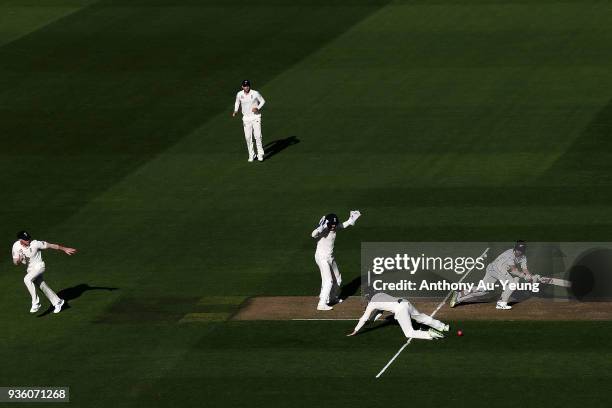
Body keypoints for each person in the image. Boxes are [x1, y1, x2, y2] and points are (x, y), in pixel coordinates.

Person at [450, 241, 532, 310]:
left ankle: (460, 294)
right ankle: (501, 303)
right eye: (518, 249)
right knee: (514, 282)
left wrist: (529, 275)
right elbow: (513, 270)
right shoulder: (509, 254)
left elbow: (525, 268)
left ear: (523, 251)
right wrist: (524, 276)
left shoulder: (523, 257)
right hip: (496, 269)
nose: (519, 251)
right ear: (515, 248)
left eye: (521, 250)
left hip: (494, 269)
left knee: (482, 290)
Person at [11, 230, 77, 314]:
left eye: (28, 238)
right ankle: (58, 302)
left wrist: (65, 249)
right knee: (42, 286)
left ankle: (36, 303)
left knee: (26, 279)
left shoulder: (35, 243)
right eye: (26, 239)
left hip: (39, 266)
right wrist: (18, 260)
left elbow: (50, 245)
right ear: (20, 240)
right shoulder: (16, 246)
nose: (28, 240)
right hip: (30, 270)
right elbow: (15, 262)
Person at [311, 211, 360, 311]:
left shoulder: (335, 227)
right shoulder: (323, 229)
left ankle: (332, 298)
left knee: (338, 279)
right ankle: (321, 304)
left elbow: (342, 225)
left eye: (335, 225)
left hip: (330, 258)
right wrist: (320, 227)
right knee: (328, 281)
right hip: (321, 258)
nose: (333, 227)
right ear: (327, 224)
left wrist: (351, 220)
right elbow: (313, 234)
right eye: (331, 225)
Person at [347, 292, 448, 340]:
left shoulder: (372, 304)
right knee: (420, 317)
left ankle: (429, 334)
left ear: (368, 300)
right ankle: (443, 326)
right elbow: (380, 311)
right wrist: (372, 320)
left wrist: (355, 330)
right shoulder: (379, 294)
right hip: (405, 302)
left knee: (409, 333)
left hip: (400, 310)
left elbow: (364, 318)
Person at [232, 79, 266, 162]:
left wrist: (257, 108)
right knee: (248, 137)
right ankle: (252, 154)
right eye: (245, 86)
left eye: (247, 86)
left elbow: (262, 101)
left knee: (257, 136)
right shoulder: (239, 94)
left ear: (249, 86)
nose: (246, 87)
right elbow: (237, 102)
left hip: (255, 117)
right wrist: (236, 110)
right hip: (246, 118)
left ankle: (260, 154)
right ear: (242, 86)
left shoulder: (255, 93)